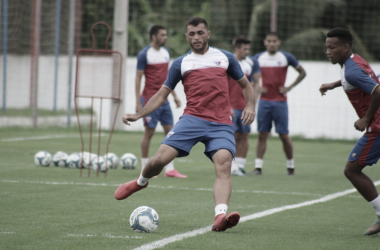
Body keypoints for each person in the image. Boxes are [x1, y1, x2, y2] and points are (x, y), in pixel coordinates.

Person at [115, 17, 256, 232]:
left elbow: (246, 85)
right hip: (192, 119)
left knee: (224, 162)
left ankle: (220, 217)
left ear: (208, 34)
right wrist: (138, 114)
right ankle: (140, 182)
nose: (196, 37)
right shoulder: (181, 63)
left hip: (220, 124)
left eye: (200, 33)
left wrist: (250, 105)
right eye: (192, 34)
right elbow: (162, 95)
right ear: (186, 36)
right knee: (160, 159)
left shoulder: (225, 58)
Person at [319, 27, 380, 235]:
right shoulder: (353, 61)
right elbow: (360, 78)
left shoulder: (351, 69)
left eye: (332, 48)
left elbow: (377, 90)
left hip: (378, 126)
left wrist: (366, 119)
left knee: (351, 170)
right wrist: (334, 85)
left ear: (345, 47)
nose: (328, 52)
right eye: (327, 48)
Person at [135, 25, 187, 178]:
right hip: (150, 99)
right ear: (154, 37)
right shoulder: (144, 54)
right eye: (162, 35)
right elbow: (138, 77)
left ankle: (169, 169)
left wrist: (175, 96)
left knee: (171, 133)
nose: (165, 37)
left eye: (166, 35)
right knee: (149, 133)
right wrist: (138, 101)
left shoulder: (166, 53)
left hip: (164, 100)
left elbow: (168, 78)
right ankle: (145, 168)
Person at [252, 32, 306, 176]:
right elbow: (248, 75)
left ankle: (290, 167)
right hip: (264, 102)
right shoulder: (258, 58)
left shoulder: (286, 57)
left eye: (274, 41)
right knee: (262, 134)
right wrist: (257, 89)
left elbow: (302, 72)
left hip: (280, 102)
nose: (271, 43)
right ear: (265, 42)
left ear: (279, 42)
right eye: (269, 41)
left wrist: (289, 87)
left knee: (283, 135)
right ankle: (258, 167)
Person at [228, 36, 261, 176]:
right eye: (244, 49)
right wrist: (227, 105)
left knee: (244, 135)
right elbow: (222, 85)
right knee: (232, 136)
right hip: (231, 106)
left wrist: (252, 104)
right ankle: (231, 166)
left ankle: (240, 167)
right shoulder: (228, 62)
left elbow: (255, 85)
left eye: (248, 49)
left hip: (245, 106)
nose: (247, 52)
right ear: (237, 48)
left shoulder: (250, 63)